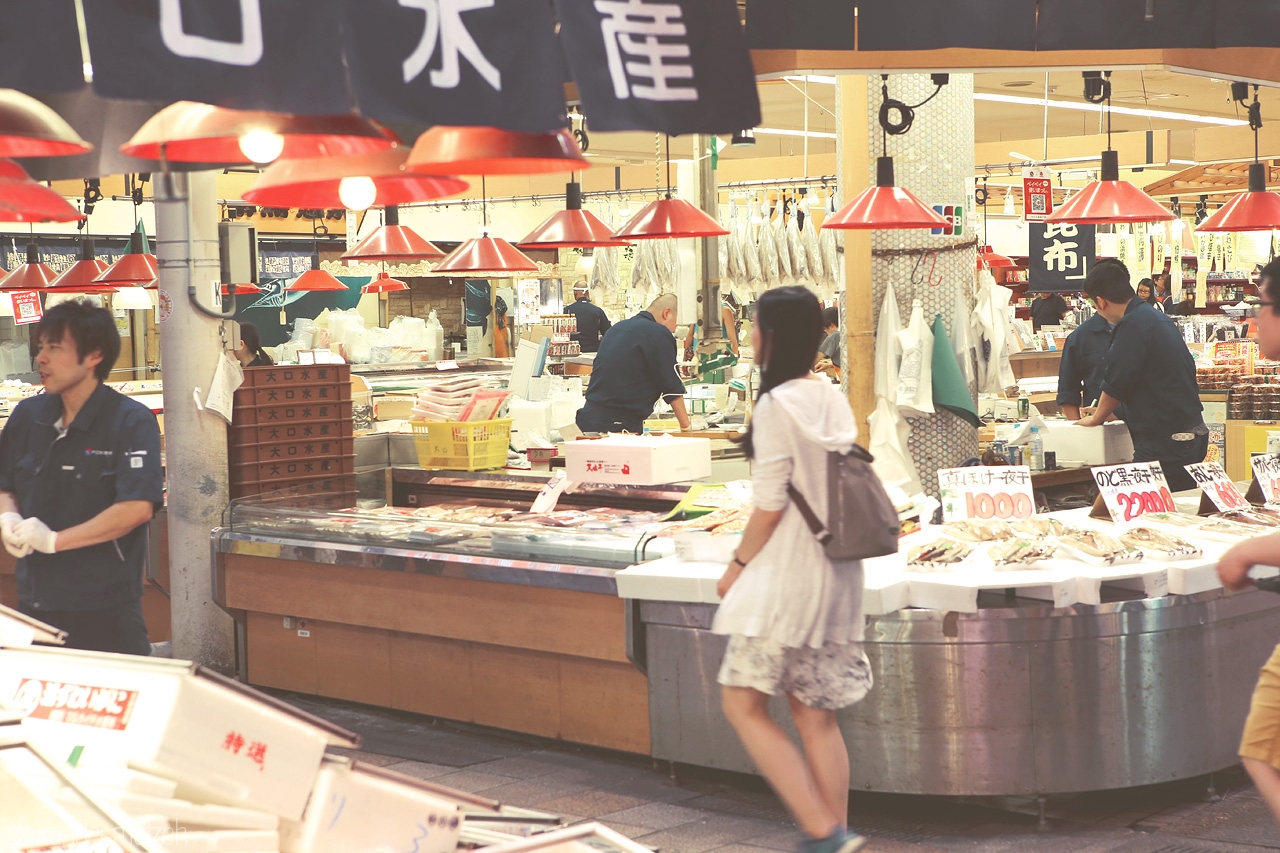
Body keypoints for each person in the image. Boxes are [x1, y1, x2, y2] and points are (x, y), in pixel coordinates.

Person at [715, 286, 871, 853]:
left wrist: (736, 565)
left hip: (786, 579)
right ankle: (835, 837)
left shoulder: (775, 405)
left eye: (754, 325)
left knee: (741, 702)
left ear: (774, 336)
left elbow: (770, 504)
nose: (750, 334)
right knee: (815, 714)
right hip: (837, 572)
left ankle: (822, 830)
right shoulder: (828, 394)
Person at [0, 301, 163, 655]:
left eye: (54, 348)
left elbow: (136, 507)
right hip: (34, 603)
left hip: (105, 610)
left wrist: (54, 540)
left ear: (94, 355)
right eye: (40, 346)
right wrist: (7, 516)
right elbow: (6, 483)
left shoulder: (130, 421)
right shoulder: (27, 416)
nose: (41, 358)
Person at [1074, 259, 1206, 492]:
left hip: (1167, 439)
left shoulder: (1132, 324)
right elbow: (1150, 382)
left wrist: (1098, 417)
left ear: (1101, 302)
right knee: (1176, 505)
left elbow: (1117, 381)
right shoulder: (1154, 317)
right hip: (1187, 434)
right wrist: (1112, 413)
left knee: (1150, 506)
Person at [576, 294, 690, 434]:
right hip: (617, 424)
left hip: (588, 419)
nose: (674, 330)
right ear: (666, 313)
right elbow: (671, 387)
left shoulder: (617, 328)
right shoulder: (659, 333)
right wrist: (687, 427)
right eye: (676, 323)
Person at [1055, 307, 1112, 420]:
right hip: (1098, 424)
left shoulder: (1140, 327)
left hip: (1142, 423)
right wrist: (1078, 427)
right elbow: (1068, 390)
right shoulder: (1081, 335)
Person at [563, 282, 611, 353]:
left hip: (573, 351)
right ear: (587, 292)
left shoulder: (567, 310)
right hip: (593, 351)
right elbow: (608, 333)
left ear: (575, 292)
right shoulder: (597, 311)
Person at [815, 306, 841, 372]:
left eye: (825, 329)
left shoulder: (834, 336)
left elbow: (814, 360)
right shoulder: (844, 333)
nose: (826, 332)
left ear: (831, 324)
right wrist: (829, 365)